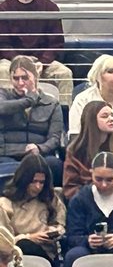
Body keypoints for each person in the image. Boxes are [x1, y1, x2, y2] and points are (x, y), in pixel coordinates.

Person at [0, 0, 73, 104]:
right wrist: (18, 62)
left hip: (42, 62)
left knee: (65, 73)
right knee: (2, 71)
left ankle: (65, 119)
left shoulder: (50, 7)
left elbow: (56, 43)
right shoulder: (4, 9)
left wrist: (42, 62)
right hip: (13, 61)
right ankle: (8, 116)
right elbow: (3, 44)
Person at [0, 53, 62, 181]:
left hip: (39, 153)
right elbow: (2, 108)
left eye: (25, 78)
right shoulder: (4, 96)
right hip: (8, 153)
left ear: (35, 77)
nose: (20, 83)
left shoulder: (51, 103)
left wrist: (40, 148)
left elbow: (55, 138)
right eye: (15, 78)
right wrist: (29, 100)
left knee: (55, 164)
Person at [62, 101, 113, 201]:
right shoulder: (75, 151)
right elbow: (70, 188)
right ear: (92, 120)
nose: (111, 119)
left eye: (112, 115)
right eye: (105, 116)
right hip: (86, 203)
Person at [0, 149, 64, 263]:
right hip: (16, 254)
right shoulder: (5, 204)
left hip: (48, 253)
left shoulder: (51, 198)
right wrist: (30, 238)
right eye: (34, 181)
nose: (38, 187)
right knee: (24, 245)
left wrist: (55, 231)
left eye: (42, 182)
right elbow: (4, 241)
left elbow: (61, 225)